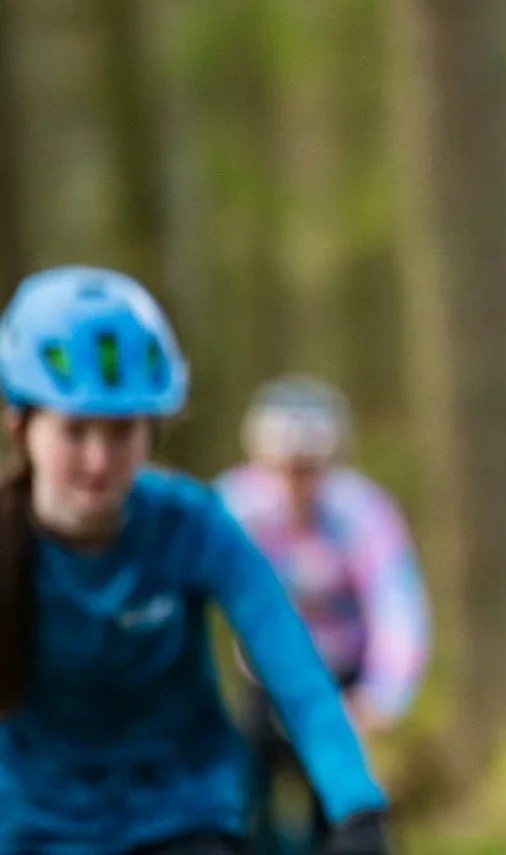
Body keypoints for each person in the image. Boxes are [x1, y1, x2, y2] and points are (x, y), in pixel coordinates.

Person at [0, 266, 389, 855]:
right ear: (20, 425)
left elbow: (295, 671)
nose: (99, 460)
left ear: (152, 431)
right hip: (36, 824)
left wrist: (355, 803)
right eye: (75, 432)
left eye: (122, 430)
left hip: (182, 815)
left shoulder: (193, 524)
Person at [216, 377, 429, 847]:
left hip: (342, 687)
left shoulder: (363, 513)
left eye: (308, 468)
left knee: (343, 817)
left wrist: (381, 697)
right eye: (283, 468)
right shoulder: (233, 506)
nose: (295, 483)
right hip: (262, 685)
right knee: (239, 807)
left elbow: (398, 605)